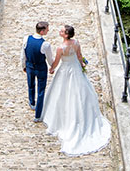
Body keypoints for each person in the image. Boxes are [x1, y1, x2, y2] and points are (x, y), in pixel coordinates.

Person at [40, 24, 111, 155]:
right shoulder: (76, 43)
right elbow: (79, 56)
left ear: (66, 35)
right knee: (79, 92)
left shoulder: (61, 48)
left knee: (62, 93)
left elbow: (56, 61)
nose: (60, 31)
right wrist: (82, 64)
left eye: (62, 31)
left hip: (65, 70)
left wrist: (52, 68)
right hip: (75, 69)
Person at [22, 21, 53, 122]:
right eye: (47, 29)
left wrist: (23, 65)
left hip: (30, 66)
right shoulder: (45, 45)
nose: (48, 30)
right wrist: (53, 66)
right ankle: (38, 115)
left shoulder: (26, 39)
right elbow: (49, 59)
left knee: (30, 85)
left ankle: (32, 103)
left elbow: (23, 55)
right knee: (41, 90)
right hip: (40, 68)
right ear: (43, 31)